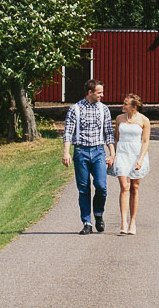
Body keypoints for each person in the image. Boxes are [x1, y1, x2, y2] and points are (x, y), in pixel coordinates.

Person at [62, 80, 115, 234]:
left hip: (98, 151)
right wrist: (66, 153)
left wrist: (112, 153)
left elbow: (108, 133)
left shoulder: (104, 109)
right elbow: (68, 133)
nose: (102, 95)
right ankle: (87, 222)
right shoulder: (75, 109)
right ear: (90, 92)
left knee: (101, 186)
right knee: (84, 189)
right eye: (99, 92)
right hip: (81, 152)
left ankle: (98, 214)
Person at [111, 94, 152, 234]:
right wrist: (114, 155)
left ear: (134, 107)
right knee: (124, 186)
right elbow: (116, 138)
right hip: (122, 153)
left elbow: (146, 142)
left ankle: (133, 221)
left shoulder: (144, 120)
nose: (123, 105)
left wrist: (140, 159)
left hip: (136, 154)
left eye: (125, 104)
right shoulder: (119, 119)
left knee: (134, 187)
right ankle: (123, 221)